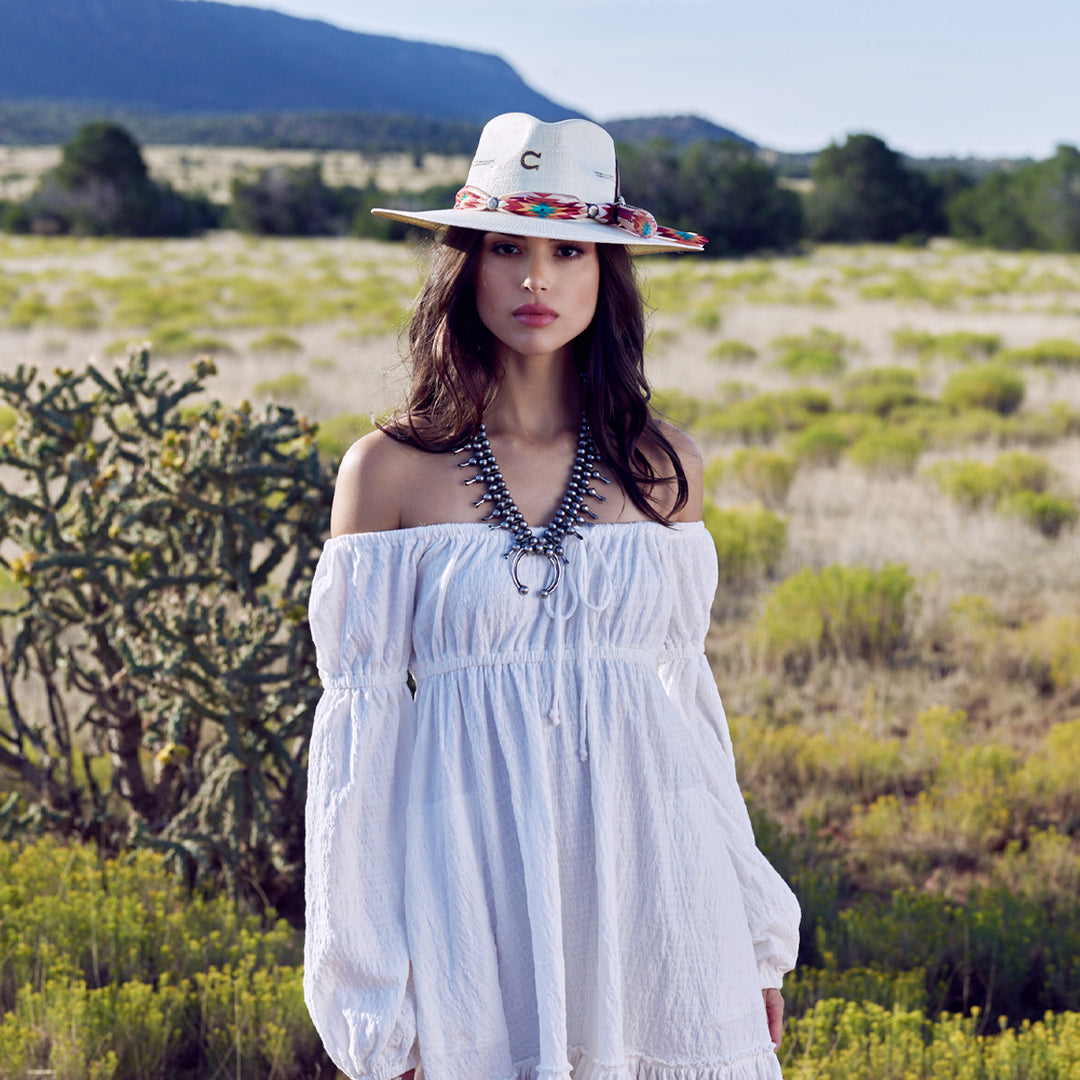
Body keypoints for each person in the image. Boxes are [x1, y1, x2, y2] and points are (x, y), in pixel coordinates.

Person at [304, 112, 800, 1080]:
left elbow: (689, 717)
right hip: (469, 893)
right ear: (467, 266)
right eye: (507, 248)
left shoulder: (664, 470)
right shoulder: (388, 476)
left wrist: (748, 923)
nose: (537, 279)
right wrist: (372, 999)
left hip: (651, 888)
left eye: (569, 250)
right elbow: (356, 760)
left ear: (604, 273)